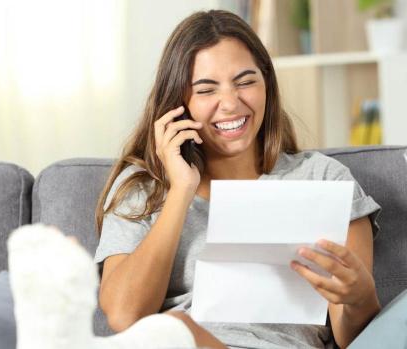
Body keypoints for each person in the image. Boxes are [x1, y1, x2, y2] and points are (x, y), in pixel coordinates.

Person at [93, 9, 382, 349]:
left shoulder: (324, 180)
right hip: (172, 341)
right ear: (178, 104)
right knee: (172, 329)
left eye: (245, 82)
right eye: (206, 90)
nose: (230, 104)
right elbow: (125, 315)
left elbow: (351, 336)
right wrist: (180, 192)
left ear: (267, 85)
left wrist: (360, 297)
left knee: (172, 330)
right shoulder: (145, 187)